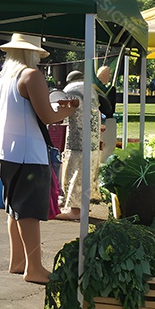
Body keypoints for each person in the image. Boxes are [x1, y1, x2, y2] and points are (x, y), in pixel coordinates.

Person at [0, 33, 77, 285]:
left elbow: (38, 113)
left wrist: (58, 111)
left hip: (7, 154)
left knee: (15, 210)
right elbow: (48, 117)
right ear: (33, 53)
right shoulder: (31, 75)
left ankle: (18, 261)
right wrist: (69, 110)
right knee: (28, 213)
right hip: (28, 155)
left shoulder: (7, 77)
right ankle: (34, 268)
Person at [56, 70, 100, 221]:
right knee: (86, 173)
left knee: (75, 173)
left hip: (78, 138)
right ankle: (82, 207)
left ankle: (75, 210)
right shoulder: (90, 88)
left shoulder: (71, 89)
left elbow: (63, 111)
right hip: (93, 138)